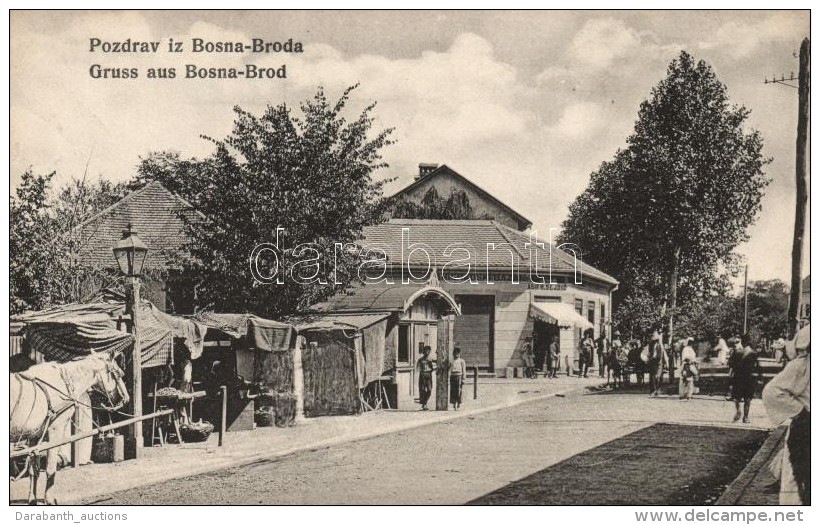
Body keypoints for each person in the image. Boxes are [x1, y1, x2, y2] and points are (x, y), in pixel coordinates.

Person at [763, 324, 810, 505]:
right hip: (807, 431)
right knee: (800, 486)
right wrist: (801, 412)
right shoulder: (802, 365)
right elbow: (772, 392)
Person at [727, 335, 761, 423]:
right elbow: (758, 366)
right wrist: (760, 377)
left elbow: (730, 364)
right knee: (748, 398)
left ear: (743, 342)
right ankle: (746, 417)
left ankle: (738, 410)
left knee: (737, 397)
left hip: (738, 377)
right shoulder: (753, 353)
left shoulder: (737, 353)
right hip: (749, 378)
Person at [647, 332, 668, 397]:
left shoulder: (660, 345)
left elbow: (660, 355)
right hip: (652, 362)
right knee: (652, 377)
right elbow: (650, 352)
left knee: (657, 376)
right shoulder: (651, 345)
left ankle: (657, 389)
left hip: (658, 362)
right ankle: (653, 390)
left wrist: (654, 358)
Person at [416, 345, 434, 410]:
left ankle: (424, 402)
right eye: (425, 350)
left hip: (429, 374)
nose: (427, 352)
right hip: (422, 374)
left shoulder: (431, 359)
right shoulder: (420, 360)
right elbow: (417, 368)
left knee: (429, 390)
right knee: (422, 389)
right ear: (424, 351)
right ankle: (424, 404)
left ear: (429, 351)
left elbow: (436, 364)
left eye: (428, 350)